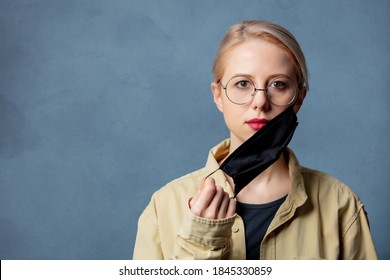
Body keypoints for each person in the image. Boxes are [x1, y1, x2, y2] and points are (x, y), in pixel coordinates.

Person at [133, 20, 377, 260]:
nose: (260, 101)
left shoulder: (340, 205)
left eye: (278, 84)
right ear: (218, 96)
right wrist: (199, 245)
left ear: (299, 99)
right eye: (242, 83)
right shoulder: (164, 207)